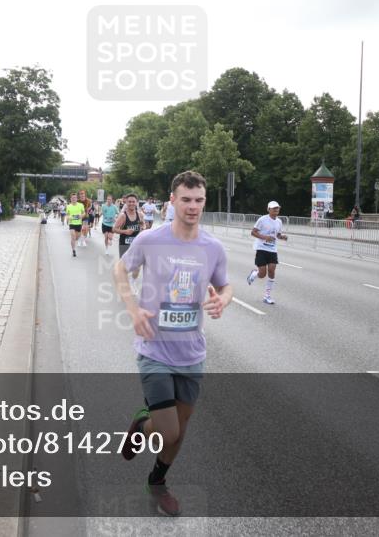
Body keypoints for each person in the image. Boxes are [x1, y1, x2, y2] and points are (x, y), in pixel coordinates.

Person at [113, 171, 233, 517]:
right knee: (166, 429)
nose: (193, 207)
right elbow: (120, 271)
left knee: (177, 433)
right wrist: (133, 309)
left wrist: (223, 300)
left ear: (204, 202)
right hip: (154, 349)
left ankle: (157, 481)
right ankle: (143, 424)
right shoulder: (151, 240)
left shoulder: (213, 247)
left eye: (198, 200)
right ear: (172, 201)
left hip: (192, 354)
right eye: (186, 199)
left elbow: (226, 286)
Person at [245, 201, 287, 305]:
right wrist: (265, 237)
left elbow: (277, 235)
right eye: (274, 208)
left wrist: (282, 237)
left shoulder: (279, 221)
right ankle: (255, 274)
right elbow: (253, 232)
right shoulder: (262, 219)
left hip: (272, 250)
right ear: (268, 209)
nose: (276, 210)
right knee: (262, 274)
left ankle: (267, 296)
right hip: (261, 248)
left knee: (272, 270)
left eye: (277, 208)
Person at [66, 193, 86, 257]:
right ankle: (73, 250)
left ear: (77, 198)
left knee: (77, 237)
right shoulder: (68, 206)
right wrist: (69, 218)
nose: (74, 199)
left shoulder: (81, 205)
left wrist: (81, 216)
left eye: (75, 198)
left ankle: (74, 241)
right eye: (72, 198)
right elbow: (67, 215)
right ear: (70, 199)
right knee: (73, 236)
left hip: (79, 224)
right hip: (72, 223)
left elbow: (84, 213)